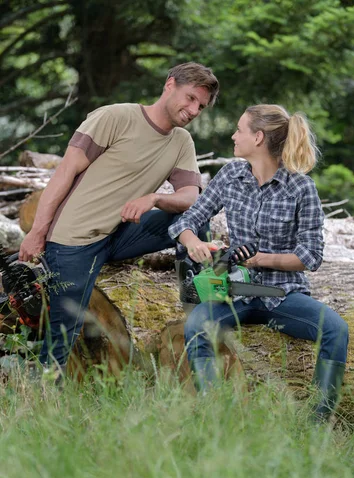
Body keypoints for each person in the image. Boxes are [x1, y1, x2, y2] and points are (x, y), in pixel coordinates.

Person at [18, 62, 219, 371]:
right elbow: (64, 174)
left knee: (195, 213)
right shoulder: (114, 117)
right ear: (170, 85)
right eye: (191, 98)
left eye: (201, 106)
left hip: (119, 235)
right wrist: (37, 232)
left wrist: (155, 198)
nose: (194, 110)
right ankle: (38, 398)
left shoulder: (181, 142)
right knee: (65, 332)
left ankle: (197, 294)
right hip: (73, 240)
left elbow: (191, 196)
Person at [168, 104, 349, 420]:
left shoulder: (301, 188)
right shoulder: (231, 175)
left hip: (282, 297)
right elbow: (188, 219)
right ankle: (215, 418)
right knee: (197, 324)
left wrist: (262, 259)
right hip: (234, 294)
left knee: (336, 330)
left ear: (259, 138)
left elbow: (311, 256)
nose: (233, 135)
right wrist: (192, 241)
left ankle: (319, 423)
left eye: (240, 129)